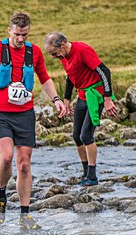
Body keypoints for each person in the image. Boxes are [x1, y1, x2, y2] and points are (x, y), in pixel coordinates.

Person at [0, 11, 66, 229]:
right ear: (9, 31)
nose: (21, 39)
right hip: (1, 113)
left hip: (25, 114)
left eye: (25, 34)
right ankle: (1, 196)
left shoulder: (35, 52)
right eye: (17, 35)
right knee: (6, 158)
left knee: (24, 164)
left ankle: (24, 214)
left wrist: (56, 99)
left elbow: (44, 78)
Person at [44, 32, 116, 187]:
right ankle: (85, 173)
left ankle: (92, 176)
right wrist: (67, 99)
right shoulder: (63, 57)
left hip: (96, 95)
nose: (54, 57)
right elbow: (70, 76)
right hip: (82, 95)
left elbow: (104, 71)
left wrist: (108, 98)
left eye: (54, 53)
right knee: (77, 136)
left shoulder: (82, 50)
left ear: (62, 44)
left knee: (86, 135)